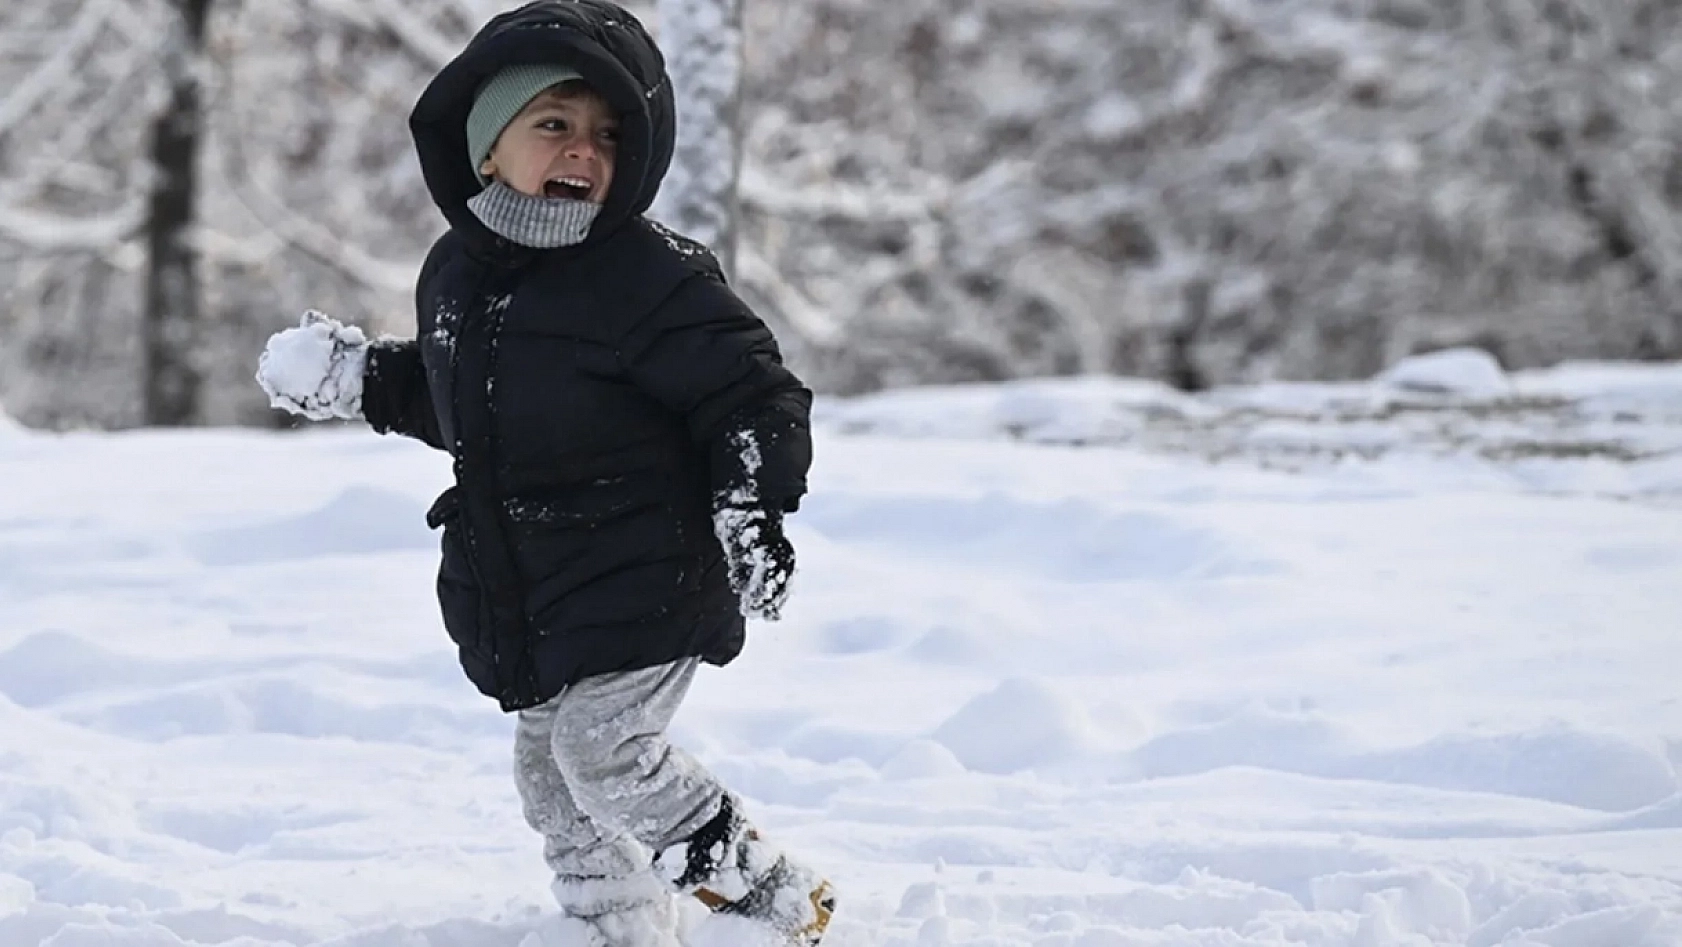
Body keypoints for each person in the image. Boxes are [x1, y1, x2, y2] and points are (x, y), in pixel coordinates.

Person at [253, 2, 834, 944]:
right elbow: (465, 407)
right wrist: (362, 378)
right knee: (549, 773)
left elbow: (753, 397)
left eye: (608, 135)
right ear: (489, 145)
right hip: (542, 585)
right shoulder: (456, 274)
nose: (585, 150)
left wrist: (749, 508)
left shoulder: (651, 278)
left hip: (650, 568)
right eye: (554, 124)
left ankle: (776, 903)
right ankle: (615, 927)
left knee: (603, 752)